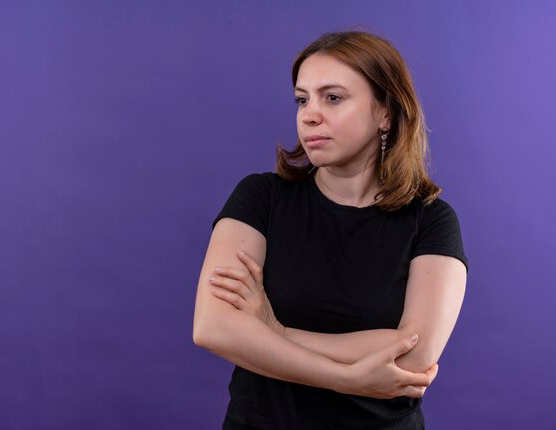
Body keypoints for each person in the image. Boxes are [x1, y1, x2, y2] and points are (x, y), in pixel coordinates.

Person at [193, 30, 467, 429]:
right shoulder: (261, 198)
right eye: (302, 99)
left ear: (385, 112)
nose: (309, 114)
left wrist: (273, 330)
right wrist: (349, 377)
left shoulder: (431, 221)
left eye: (333, 97)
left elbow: (413, 357)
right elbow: (213, 327)